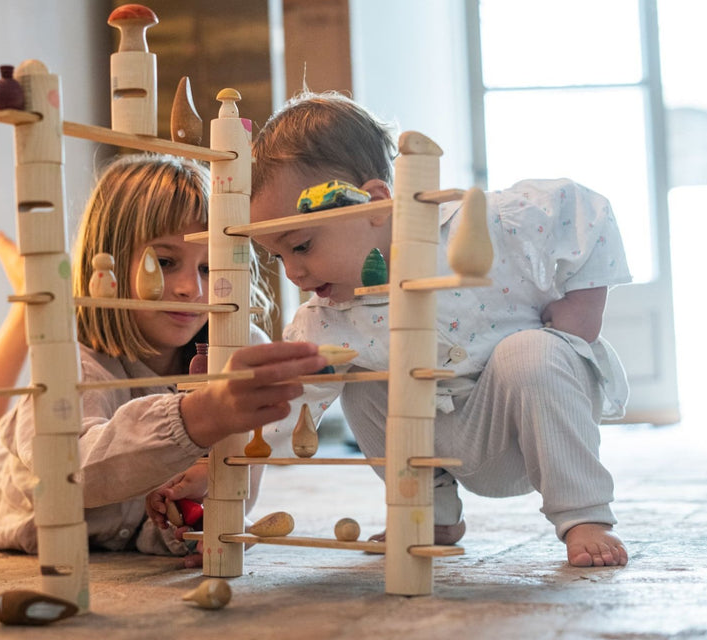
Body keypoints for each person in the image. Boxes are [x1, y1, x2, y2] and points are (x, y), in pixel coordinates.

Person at [248, 91, 631, 567]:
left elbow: (584, 212)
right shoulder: (322, 321)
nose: (292, 274)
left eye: (302, 246)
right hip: (438, 443)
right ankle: (429, 513)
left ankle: (584, 515)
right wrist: (219, 465)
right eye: (276, 256)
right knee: (362, 385)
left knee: (530, 350)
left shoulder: (478, 224)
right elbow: (280, 409)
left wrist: (583, 306)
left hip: (525, 426)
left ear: (374, 203)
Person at [0, 153, 327, 568]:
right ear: (105, 264)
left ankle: (39, 299)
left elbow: (232, 486)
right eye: (163, 262)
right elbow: (73, 472)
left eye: (208, 267)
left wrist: (196, 514)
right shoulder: (77, 364)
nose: (189, 288)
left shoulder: (229, 353)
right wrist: (200, 416)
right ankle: (31, 303)